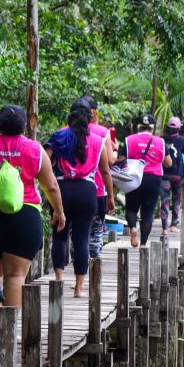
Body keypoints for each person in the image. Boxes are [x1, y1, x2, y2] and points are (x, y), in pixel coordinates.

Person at [0, 105, 66, 336]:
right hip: (25, 215)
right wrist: (59, 211)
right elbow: (51, 186)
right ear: (24, 125)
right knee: (15, 276)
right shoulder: (34, 149)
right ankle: (8, 331)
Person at [45, 102, 115, 297]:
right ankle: (79, 288)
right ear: (89, 120)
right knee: (81, 238)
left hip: (62, 191)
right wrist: (110, 196)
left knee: (59, 235)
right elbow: (106, 171)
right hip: (87, 191)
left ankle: (59, 280)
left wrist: (46, 186)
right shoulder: (98, 140)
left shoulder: (59, 136)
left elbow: (44, 162)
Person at [123, 113, 171, 247]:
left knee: (131, 209)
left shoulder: (129, 140)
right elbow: (168, 163)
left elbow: (122, 159)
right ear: (152, 128)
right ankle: (143, 244)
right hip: (153, 179)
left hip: (134, 177)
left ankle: (133, 228)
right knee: (148, 213)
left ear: (139, 126)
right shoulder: (160, 142)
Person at [79, 96, 118, 259]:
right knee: (95, 232)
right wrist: (115, 150)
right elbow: (109, 162)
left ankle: (78, 273)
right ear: (94, 112)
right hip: (97, 189)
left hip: (72, 187)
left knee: (78, 233)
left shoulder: (67, 129)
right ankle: (94, 272)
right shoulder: (103, 132)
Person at [160, 116, 184, 234]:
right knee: (176, 200)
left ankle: (164, 228)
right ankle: (174, 225)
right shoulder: (181, 140)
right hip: (177, 175)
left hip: (164, 174)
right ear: (178, 128)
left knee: (164, 200)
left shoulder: (161, 139)